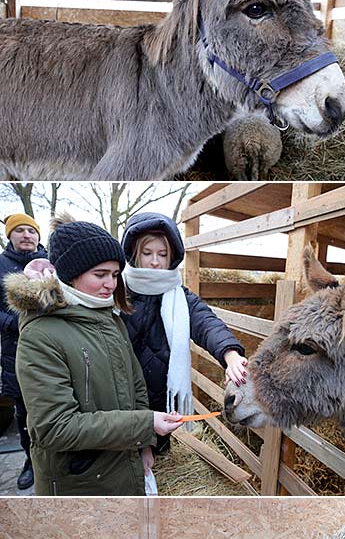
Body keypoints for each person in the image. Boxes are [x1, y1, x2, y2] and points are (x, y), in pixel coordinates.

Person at [7, 215, 182, 496]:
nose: (111, 285)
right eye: (100, 275)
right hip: (82, 480)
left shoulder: (109, 317)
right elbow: (55, 428)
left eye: (115, 275)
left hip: (124, 464)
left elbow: (134, 382)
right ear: (71, 274)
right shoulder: (41, 334)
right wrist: (145, 424)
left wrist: (144, 443)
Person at [121, 211, 247, 469]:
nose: (155, 262)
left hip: (161, 395)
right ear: (134, 253)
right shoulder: (117, 291)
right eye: (147, 253)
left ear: (172, 257)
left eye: (162, 254)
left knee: (158, 460)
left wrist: (230, 354)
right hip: (121, 398)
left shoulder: (180, 296)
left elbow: (206, 323)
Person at [0, 212, 48, 491]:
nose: (26, 235)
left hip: (49, 347)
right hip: (15, 349)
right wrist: (14, 323)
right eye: (20, 231)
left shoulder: (50, 262)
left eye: (31, 230)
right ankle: (30, 461)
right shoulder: (2, 265)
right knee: (23, 411)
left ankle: (53, 458)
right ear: (10, 236)